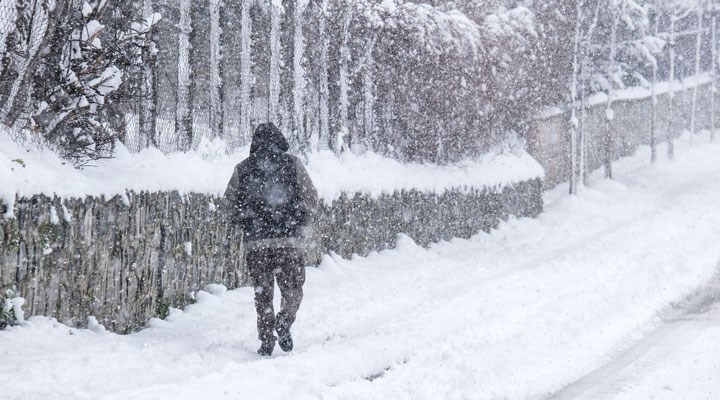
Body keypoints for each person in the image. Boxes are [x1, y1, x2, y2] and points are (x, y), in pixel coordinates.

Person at [224, 122, 318, 356]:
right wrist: (301, 219)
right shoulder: (293, 164)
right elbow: (311, 197)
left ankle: (266, 338)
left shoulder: (243, 168)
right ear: (280, 139)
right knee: (293, 288)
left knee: (262, 292)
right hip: (290, 241)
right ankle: (284, 320)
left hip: (257, 243)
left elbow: (228, 204)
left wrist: (244, 220)